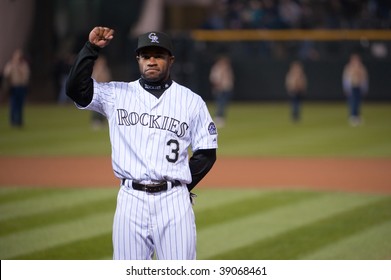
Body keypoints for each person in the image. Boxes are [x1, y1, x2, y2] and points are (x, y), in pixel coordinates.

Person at [66, 27, 218, 260]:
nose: (152, 61)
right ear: (138, 59)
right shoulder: (117, 94)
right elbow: (76, 89)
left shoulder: (191, 101)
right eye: (146, 56)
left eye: (159, 56)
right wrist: (91, 49)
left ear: (171, 60)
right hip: (131, 199)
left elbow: (207, 152)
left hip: (174, 202)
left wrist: (180, 188)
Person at [3, 48, 30, 127]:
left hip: (21, 86)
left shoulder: (24, 65)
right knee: (13, 104)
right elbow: (6, 74)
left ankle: (19, 121)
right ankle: (13, 121)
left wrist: (19, 68)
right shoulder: (10, 64)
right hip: (14, 86)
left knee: (20, 104)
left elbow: (26, 76)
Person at [342, 53, 369, 126]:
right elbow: (346, 79)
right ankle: (353, 116)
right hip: (352, 87)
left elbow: (364, 78)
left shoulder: (361, 67)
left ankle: (357, 115)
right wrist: (346, 87)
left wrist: (364, 87)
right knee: (352, 101)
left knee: (358, 102)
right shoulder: (349, 67)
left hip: (359, 86)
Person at [209, 55, 234, 128]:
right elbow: (214, 78)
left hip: (226, 87)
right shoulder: (217, 67)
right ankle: (218, 117)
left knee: (224, 103)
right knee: (220, 102)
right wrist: (218, 86)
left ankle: (221, 117)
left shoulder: (227, 68)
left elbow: (230, 78)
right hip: (219, 88)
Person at [91, 55, 111, 129]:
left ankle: (102, 121)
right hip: (98, 90)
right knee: (96, 106)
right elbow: (95, 79)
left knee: (104, 107)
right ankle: (95, 121)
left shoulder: (105, 69)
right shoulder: (96, 69)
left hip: (105, 90)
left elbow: (108, 78)